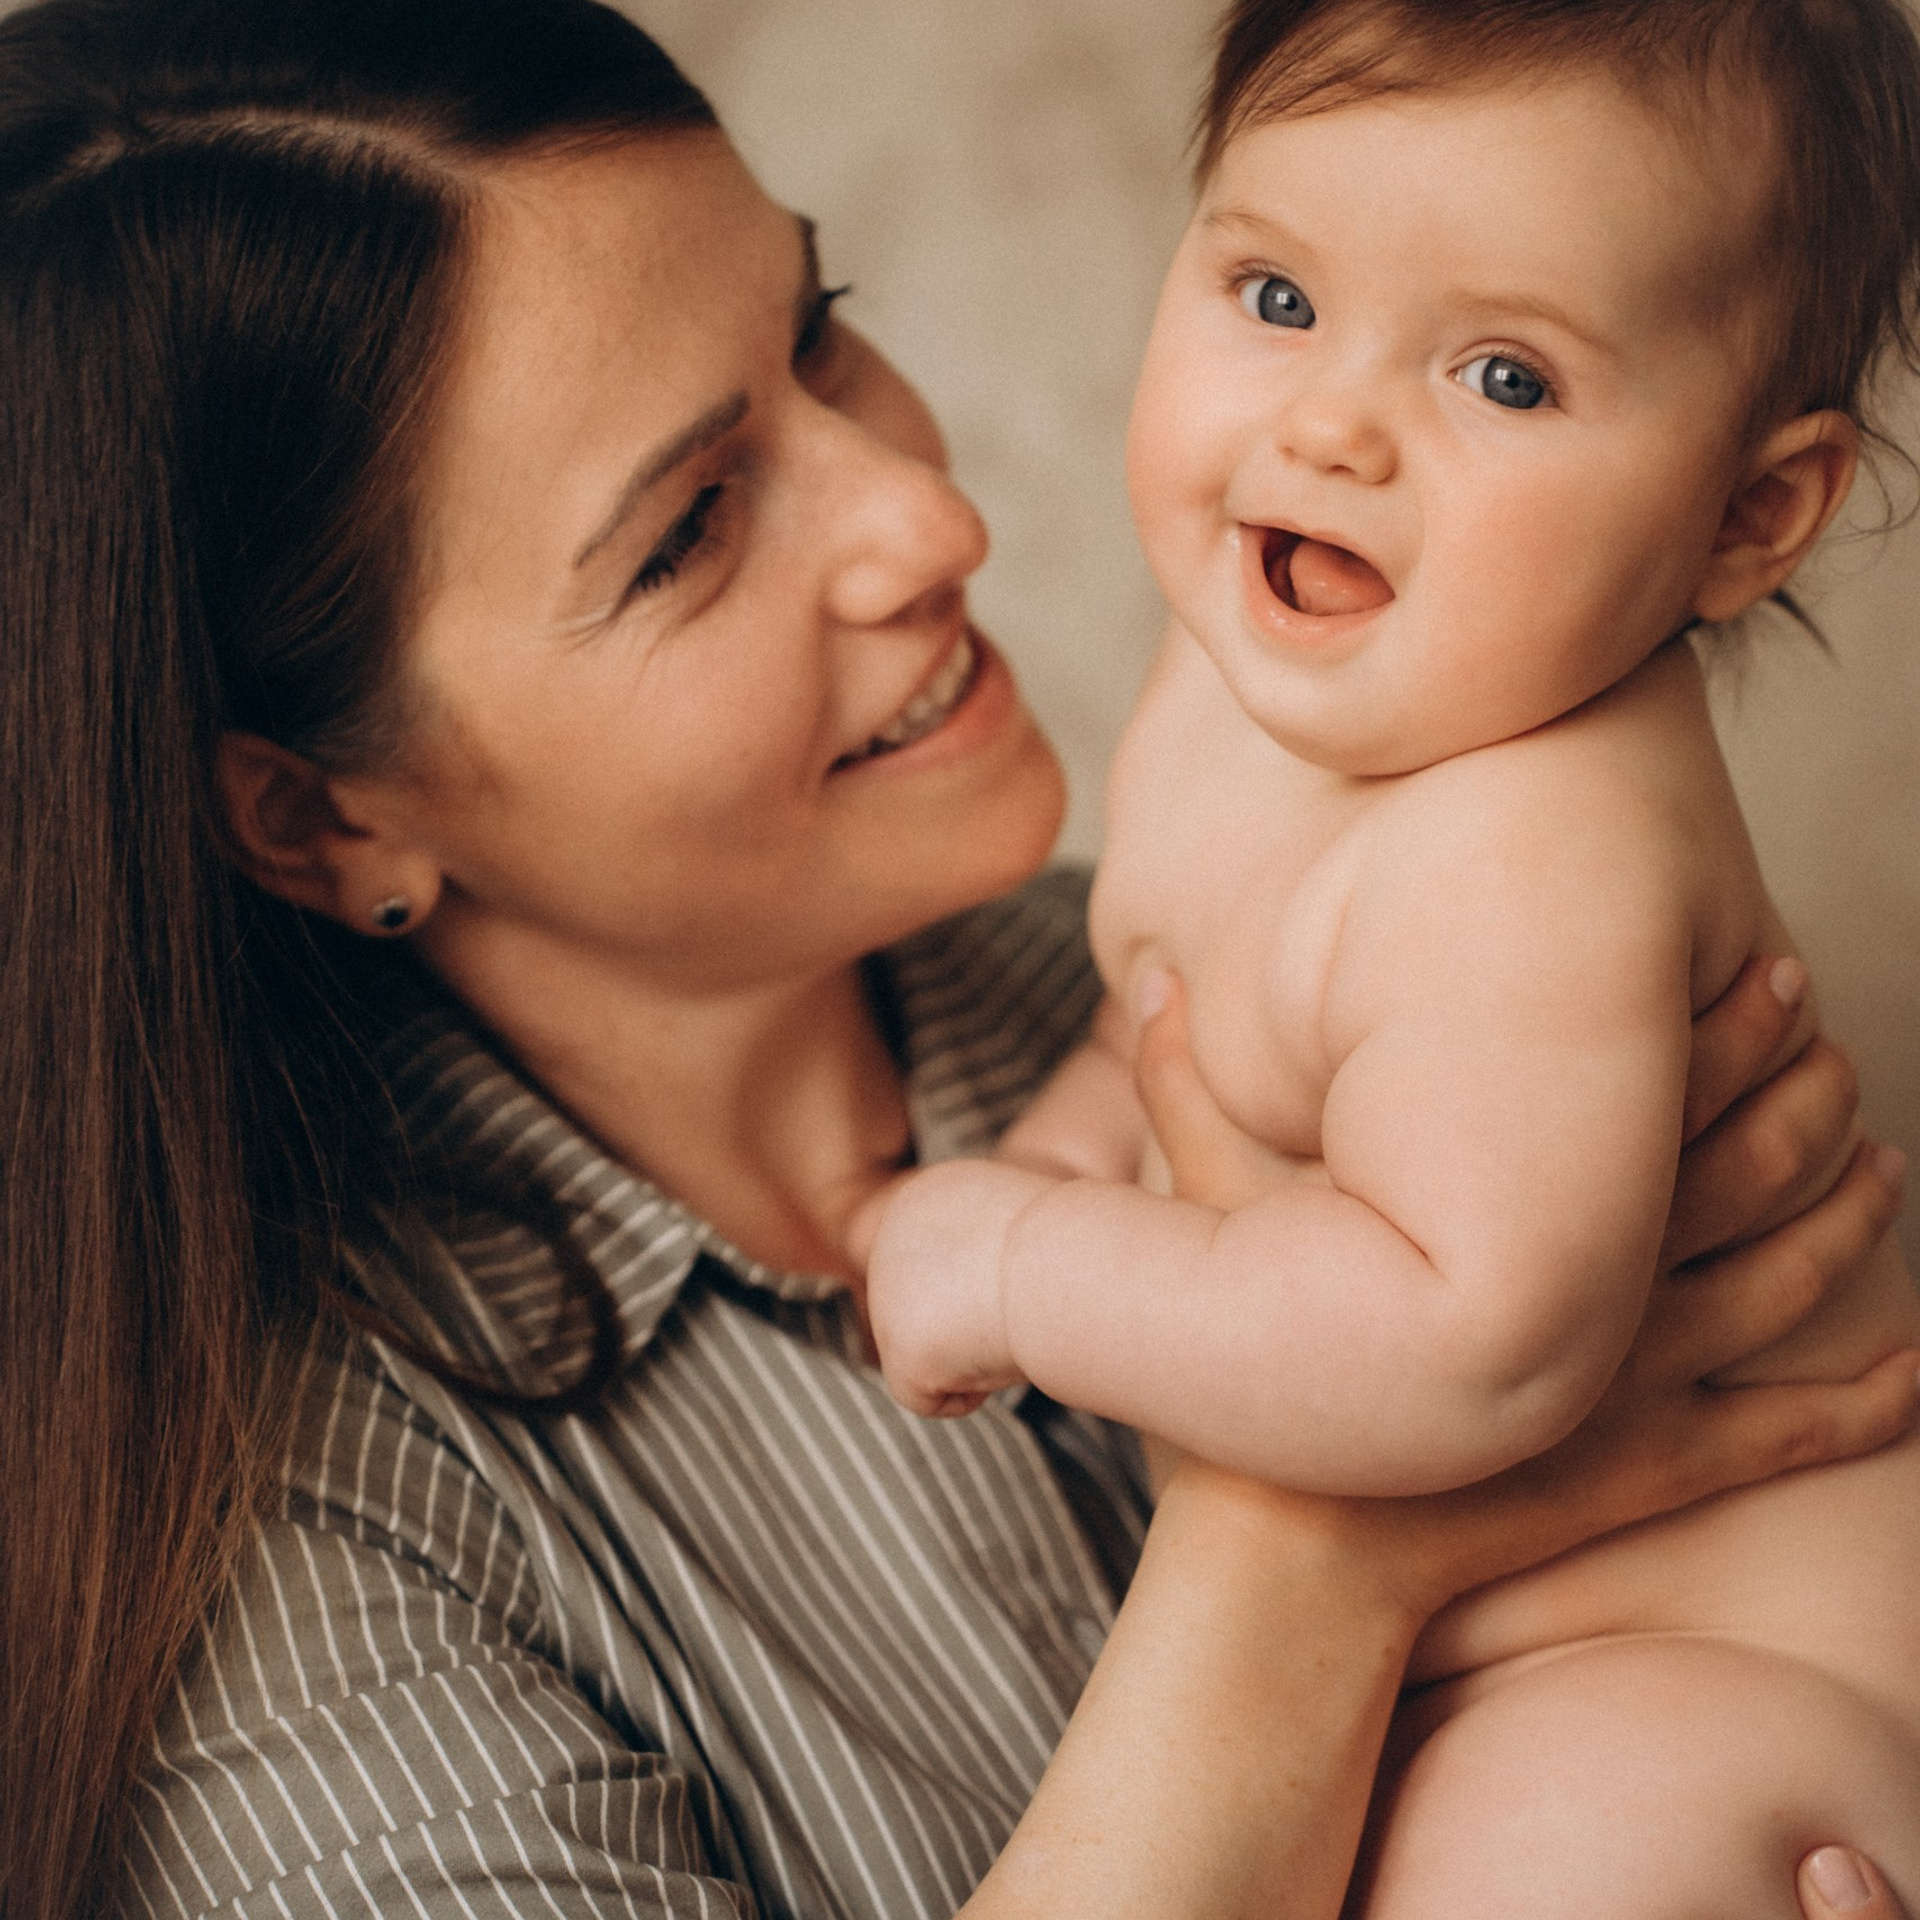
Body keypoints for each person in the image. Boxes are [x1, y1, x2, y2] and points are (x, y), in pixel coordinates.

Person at [0, 0, 1913, 1915]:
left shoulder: (1266, 924)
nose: (935, 515)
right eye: (686, 534)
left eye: (820, 328)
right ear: (327, 819)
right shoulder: (304, 1564)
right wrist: (1317, 1549)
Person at [860, 0, 1920, 1910]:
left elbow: (1467, 1336)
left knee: (1542, 1849)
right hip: (1426, 1653)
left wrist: (1023, 1258)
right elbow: (1195, 1005)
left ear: (1751, 517)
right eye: (1274, 297)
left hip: (1702, 1682)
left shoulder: (1543, 855)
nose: (1330, 424)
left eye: (1503, 378)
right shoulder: (1265, 679)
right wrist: (1073, 1138)